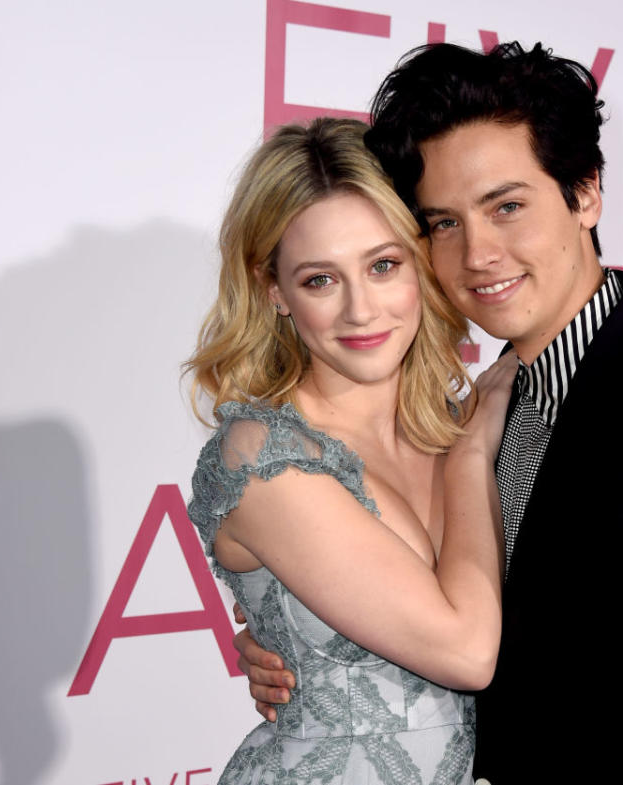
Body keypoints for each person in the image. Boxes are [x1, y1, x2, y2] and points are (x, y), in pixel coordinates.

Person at [237, 43, 623, 783]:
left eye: (507, 206)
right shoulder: (469, 411)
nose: (480, 253)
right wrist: (307, 645)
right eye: (444, 224)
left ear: (586, 192)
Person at [186, 117, 516, 785]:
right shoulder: (263, 457)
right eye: (320, 280)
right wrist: (470, 458)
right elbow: (467, 651)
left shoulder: (468, 423)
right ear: (273, 288)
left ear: (419, 262)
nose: (361, 310)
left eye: (383, 265)